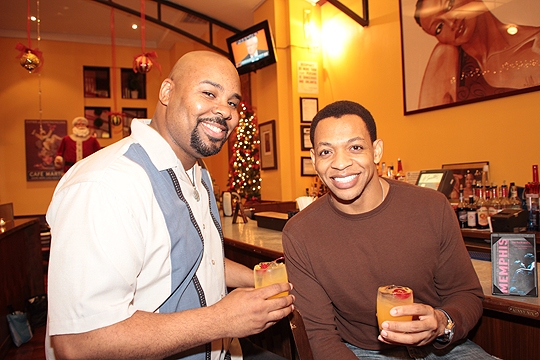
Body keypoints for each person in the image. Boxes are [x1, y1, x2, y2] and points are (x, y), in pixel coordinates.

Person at [45, 51, 294, 360]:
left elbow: (194, 258)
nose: (225, 111)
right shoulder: (103, 185)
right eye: (208, 93)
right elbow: (80, 343)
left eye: (232, 102)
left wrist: (261, 278)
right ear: (166, 92)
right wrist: (223, 319)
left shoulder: (197, 173)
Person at [282, 100, 493, 359]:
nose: (340, 163)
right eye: (326, 152)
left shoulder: (431, 207)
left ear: (377, 151)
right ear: (314, 160)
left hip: (443, 348)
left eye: (355, 147)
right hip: (364, 352)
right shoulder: (300, 233)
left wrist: (441, 322)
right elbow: (320, 336)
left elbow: (466, 295)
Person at [414, 0, 540, 109]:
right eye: (439, 28)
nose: (451, 23)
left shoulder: (535, 44)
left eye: (449, 4)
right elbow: (430, 130)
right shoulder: (446, 57)